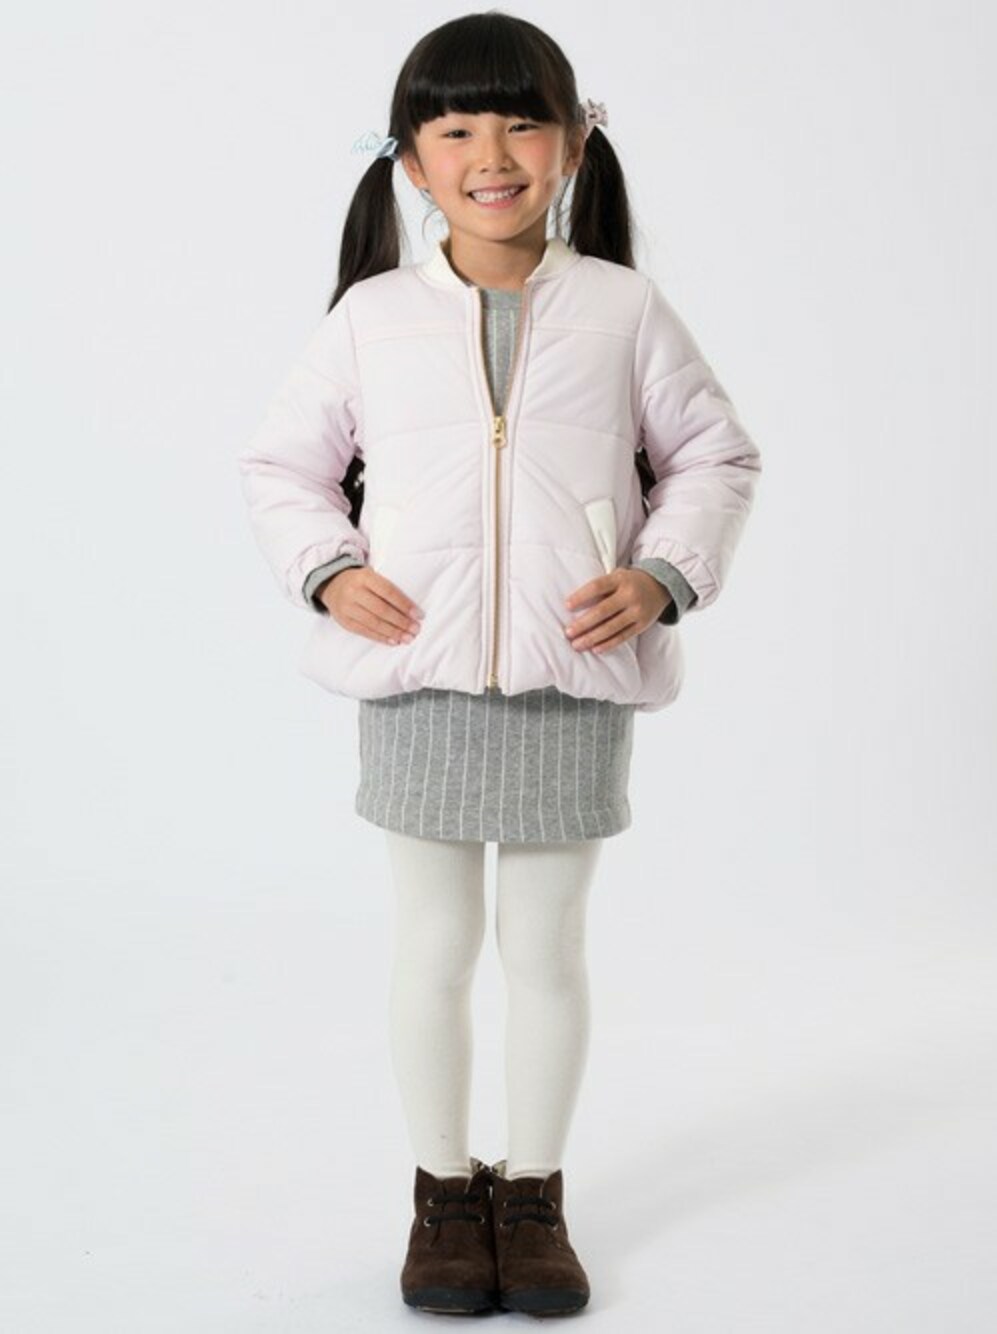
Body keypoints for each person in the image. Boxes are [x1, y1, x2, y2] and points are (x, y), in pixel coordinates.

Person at [237, 10, 762, 1317]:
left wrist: (662, 574)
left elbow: (715, 454)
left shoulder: (625, 308)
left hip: (569, 677)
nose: (492, 155)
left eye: (523, 123)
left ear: (574, 144)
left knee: (546, 948)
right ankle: (439, 1191)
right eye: (457, 128)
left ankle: (532, 1195)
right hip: (417, 675)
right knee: (432, 945)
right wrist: (327, 566)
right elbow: (282, 465)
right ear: (412, 160)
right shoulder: (370, 319)